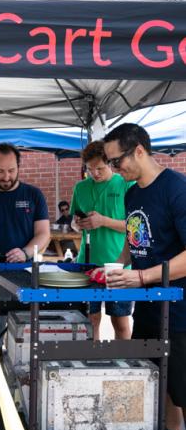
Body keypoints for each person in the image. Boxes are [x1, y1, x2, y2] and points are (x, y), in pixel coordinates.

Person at [102, 123, 186, 430]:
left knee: (182, 392)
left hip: (180, 316)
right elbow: (134, 239)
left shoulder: (177, 188)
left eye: (116, 161)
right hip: (149, 311)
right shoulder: (133, 193)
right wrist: (115, 265)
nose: (114, 168)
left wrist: (141, 276)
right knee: (158, 392)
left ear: (139, 150)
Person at [70, 141, 134, 340]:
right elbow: (73, 222)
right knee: (89, 319)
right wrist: (78, 224)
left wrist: (103, 221)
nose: (95, 173)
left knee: (120, 320)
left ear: (110, 163)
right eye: (90, 169)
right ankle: (91, 359)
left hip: (119, 263)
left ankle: (124, 363)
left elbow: (135, 226)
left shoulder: (125, 183)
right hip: (87, 262)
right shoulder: (80, 188)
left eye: (100, 168)